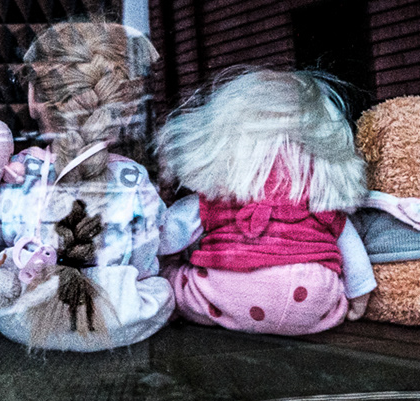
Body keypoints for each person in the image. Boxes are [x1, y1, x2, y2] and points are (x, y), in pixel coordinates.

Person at [0, 21, 178, 350]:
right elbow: (147, 260)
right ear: (127, 110)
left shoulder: (16, 175)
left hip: (23, 328)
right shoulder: (133, 181)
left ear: (33, 99)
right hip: (122, 325)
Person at [154, 69, 376, 334]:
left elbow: (169, 235)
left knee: (173, 282)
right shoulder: (318, 195)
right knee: (329, 286)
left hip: (228, 291)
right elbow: (351, 248)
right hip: (312, 301)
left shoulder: (220, 194)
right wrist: (359, 293)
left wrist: (158, 260)